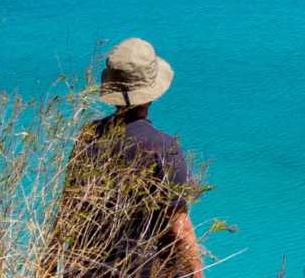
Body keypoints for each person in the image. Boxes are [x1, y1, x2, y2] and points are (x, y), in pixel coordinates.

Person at [42, 38, 205, 277]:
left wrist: (46, 268)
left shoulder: (88, 136)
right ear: (151, 93)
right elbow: (180, 231)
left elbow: (67, 212)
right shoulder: (163, 147)